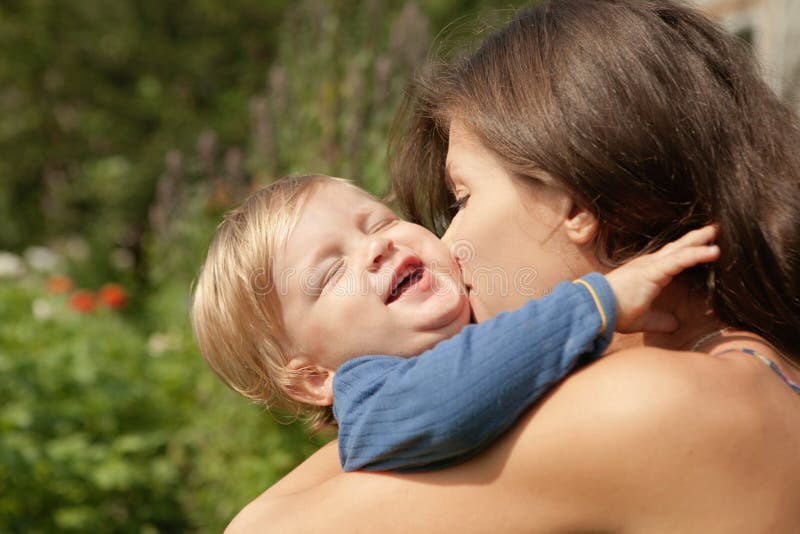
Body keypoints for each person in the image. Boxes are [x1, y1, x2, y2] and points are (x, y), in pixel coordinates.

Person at [227, 0, 800, 532]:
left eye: (461, 199)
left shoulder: (645, 406)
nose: (446, 240)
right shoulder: (745, 364)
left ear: (575, 201)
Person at [192, 173, 717, 473]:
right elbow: (441, 398)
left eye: (379, 221)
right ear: (314, 377)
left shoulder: (488, 322)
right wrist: (592, 304)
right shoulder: (372, 402)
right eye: (330, 273)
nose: (377, 247)